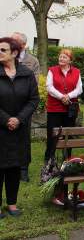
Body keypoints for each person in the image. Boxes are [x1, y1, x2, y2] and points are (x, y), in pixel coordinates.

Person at [0, 37, 39, 217]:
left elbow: (33, 100)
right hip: (1, 128)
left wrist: (19, 119)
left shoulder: (26, 73)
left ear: (14, 53)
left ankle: (12, 204)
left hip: (19, 129)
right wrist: (7, 119)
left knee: (15, 167)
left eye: (3, 50)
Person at [11, 32, 40, 182]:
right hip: (6, 105)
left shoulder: (32, 61)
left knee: (23, 139)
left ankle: (23, 170)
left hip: (23, 108)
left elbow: (33, 84)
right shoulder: (5, 59)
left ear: (22, 45)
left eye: (13, 40)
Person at [45, 49, 82, 162]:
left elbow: (79, 88)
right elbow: (49, 87)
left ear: (70, 60)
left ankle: (67, 159)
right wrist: (62, 97)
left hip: (70, 109)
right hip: (54, 108)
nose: (61, 59)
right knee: (52, 135)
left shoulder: (76, 71)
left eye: (64, 57)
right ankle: (49, 159)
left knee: (68, 134)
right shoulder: (52, 70)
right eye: (60, 56)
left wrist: (68, 96)